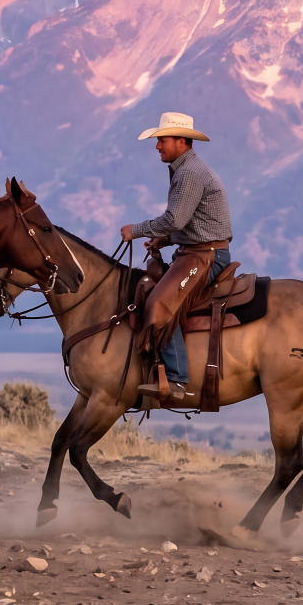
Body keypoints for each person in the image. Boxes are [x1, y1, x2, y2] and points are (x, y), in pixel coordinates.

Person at [119, 111, 231, 405]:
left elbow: (175, 219)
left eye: (162, 140)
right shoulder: (184, 169)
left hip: (205, 257)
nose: (157, 146)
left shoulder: (190, 173)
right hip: (194, 251)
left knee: (158, 303)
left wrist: (138, 230)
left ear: (181, 141)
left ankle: (178, 379)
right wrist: (165, 239)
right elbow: (190, 223)